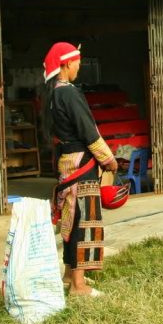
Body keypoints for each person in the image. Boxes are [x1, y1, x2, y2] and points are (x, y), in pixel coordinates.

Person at [44, 42, 117, 298]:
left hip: (66, 164)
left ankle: (67, 274)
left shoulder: (52, 93)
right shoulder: (70, 93)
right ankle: (78, 284)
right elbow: (88, 131)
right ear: (65, 64)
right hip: (81, 166)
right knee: (82, 221)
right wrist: (108, 159)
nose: (78, 66)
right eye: (76, 61)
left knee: (70, 218)